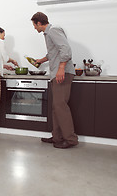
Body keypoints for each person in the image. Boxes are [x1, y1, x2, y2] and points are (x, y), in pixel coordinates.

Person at [31, 12, 78, 149]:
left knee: (60, 106)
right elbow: (54, 52)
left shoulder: (53, 30)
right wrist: (41, 60)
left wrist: (61, 68)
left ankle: (70, 139)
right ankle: (57, 137)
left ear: (39, 23)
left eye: (34, 25)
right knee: (56, 107)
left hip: (61, 74)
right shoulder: (48, 34)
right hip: (57, 74)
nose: (34, 28)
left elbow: (66, 49)